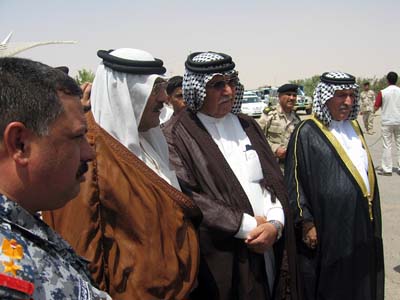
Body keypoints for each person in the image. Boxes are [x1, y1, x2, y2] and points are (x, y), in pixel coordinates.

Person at [43, 48, 201, 300]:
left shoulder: (150, 140)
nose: (163, 98)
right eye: (154, 88)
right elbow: (80, 252)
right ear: (124, 93)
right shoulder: (86, 153)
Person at [163, 51, 301, 300]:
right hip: (221, 257)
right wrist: (248, 227)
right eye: (217, 84)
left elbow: (271, 181)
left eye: (231, 83)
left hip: (269, 241)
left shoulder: (248, 124)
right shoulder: (175, 134)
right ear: (197, 89)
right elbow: (187, 196)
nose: (228, 91)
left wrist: (276, 223)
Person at [0, 57, 111, 299]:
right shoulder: (8, 277)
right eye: (77, 137)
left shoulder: (24, 219)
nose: (89, 153)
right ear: (20, 144)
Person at [285, 71, 384, 300]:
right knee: (333, 283)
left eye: (351, 95)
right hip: (329, 225)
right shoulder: (307, 131)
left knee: (361, 278)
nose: (347, 101)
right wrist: (307, 222)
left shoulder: (354, 128)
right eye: (340, 95)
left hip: (361, 221)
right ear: (325, 97)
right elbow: (295, 182)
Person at [258, 84, 301, 169]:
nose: (292, 98)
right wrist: (275, 149)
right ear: (280, 96)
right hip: (272, 165)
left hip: (290, 166)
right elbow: (257, 136)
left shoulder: (297, 118)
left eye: (294, 95)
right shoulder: (269, 115)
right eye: (288, 94)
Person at [374, 71, 400, 176]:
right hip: (399, 120)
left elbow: (376, 107)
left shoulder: (383, 92)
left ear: (387, 80)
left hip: (387, 122)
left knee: (387, 145)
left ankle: (387, 169)